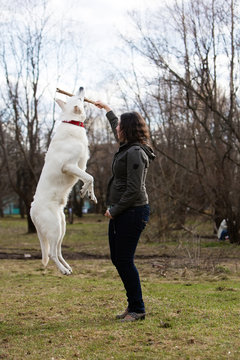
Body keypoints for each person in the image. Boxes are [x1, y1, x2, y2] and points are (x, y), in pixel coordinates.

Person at [94, 100, 155, 322]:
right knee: (118, 258)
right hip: (123, 211)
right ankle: (133, 307)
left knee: (124, 259)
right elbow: (115, 128)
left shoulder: (136, 152)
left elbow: (134, 189)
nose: (116, 129)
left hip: (133, 211)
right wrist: (108, 111)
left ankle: (138, 309)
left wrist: (115, 209)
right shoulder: (127, 147)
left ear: (126, 129)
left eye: (120, 126)